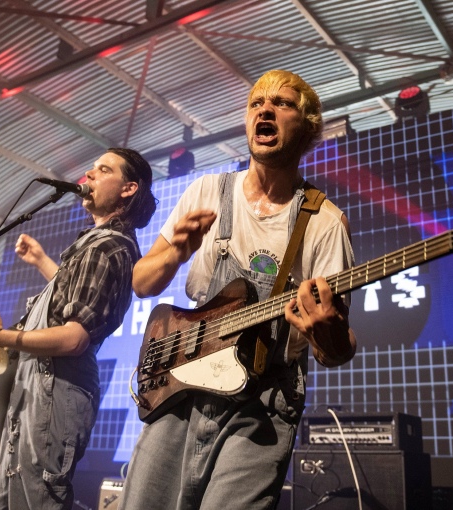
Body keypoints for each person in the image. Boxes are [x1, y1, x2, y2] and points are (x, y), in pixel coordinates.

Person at [119, 70, 357, 510]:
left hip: (262, 407)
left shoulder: (325, 223)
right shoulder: (207, 191)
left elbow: (338, 351)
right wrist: (173, 254)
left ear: (305, 127)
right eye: (256, 103)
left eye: (282, 104)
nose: (265, 109)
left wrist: (329, 335)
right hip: (181, 393)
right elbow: (140, 282)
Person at [0, 148, 157, 510]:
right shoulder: (95, 245)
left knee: (36, 499)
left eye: (104, 170)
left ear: (128, 188)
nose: (89, 175)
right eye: (92, 168)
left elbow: (74, 338)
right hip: (38, 388)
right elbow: (75, 297)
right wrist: (42, 261)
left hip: (57, 390)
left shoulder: (108, 248)